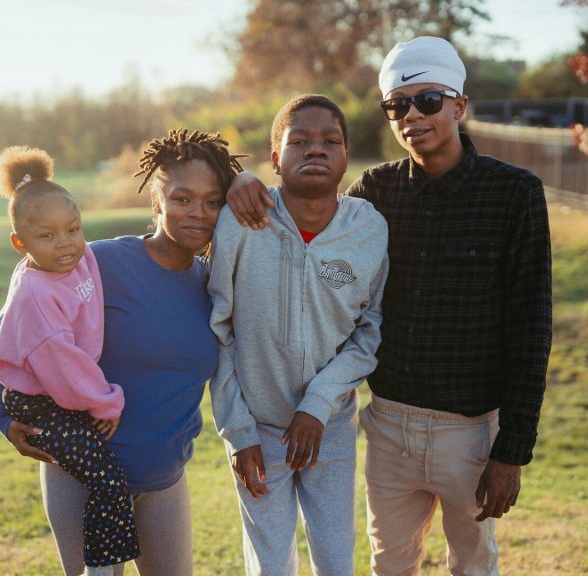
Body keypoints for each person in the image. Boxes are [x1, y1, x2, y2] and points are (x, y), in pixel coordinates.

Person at [226, 37, 553, 576]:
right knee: (389, 564)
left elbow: (531, 327)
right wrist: (240, 177)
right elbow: (309, 195)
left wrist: (512, 450)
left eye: (428, 100)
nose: (412, 116)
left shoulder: (514, 193)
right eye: (397, 105)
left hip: (470, 431)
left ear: (459, 105)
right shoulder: (374, 194)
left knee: (473, 563)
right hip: (388, 428)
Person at [0, 129, 244, 576]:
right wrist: (1, 414)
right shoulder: (94, 261)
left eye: (213, 201)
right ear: (156, 202)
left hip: (165, 479)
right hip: (83, 476)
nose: (198, 213)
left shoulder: (217, 284)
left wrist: (253, 178)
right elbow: (17, 322)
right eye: (182, 199)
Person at [208, 94, 389, 576]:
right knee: (270, 565)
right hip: (257, 430)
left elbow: (369, 330)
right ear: (275, 158)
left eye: (330, 140)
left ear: (347, 156)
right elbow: (218, 331)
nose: (316, 150)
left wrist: (320, 401)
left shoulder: (368, 230)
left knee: (335, 559)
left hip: (329, 427)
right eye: (299, 141)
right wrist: (238, 431)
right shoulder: (242, 222)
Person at [0, 145, 138, 576]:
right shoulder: (37, 294)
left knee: (105, 476)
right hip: (41, 404)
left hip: (61, 392)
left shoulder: (81, 256)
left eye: (72, 229)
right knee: (108, 480)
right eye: (47, 236)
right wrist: (107, 401)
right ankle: (100, 571)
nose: (66, 244)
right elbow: (65, 370)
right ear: (21, 243)